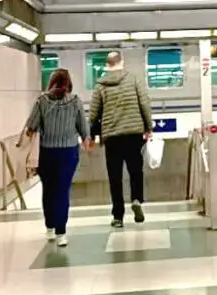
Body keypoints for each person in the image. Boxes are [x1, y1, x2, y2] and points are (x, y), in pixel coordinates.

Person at [22, 68, 91, 247]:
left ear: (51, 82)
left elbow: (31, 127)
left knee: (49, 190)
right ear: (68, 83)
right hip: (68, 153)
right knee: (62, 191)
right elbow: (83, 128)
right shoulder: (75, 101)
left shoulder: (41, 101)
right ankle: (61, 232)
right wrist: (86, 141)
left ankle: (50, 227)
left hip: (47, 153)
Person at [89, 51, 153, 228]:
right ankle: (137, 200)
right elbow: (145, 104)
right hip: (133, 134)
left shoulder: (100, 85)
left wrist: (90, 135)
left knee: (114, 177)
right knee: (135, 171)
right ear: (121, 62)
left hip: (111, 136)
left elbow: (93, 113)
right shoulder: (133, 79)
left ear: (107, 65)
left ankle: (118, 216)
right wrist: (149, 127)